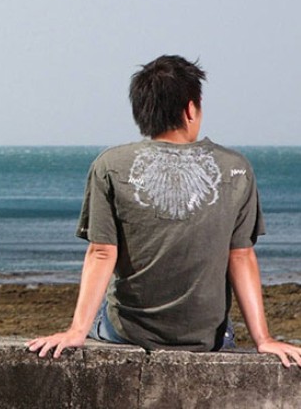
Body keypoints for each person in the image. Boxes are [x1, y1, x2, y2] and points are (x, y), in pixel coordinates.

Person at [27, 55, 301, 367]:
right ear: (190, 109)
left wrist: (76, 331)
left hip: (129, 332)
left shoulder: (110, 165)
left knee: (104, 317)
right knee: (226, 330)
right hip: (206, 337)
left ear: (141, 112)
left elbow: (102, 252)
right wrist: (263, 339)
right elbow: (241, 256)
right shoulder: (235, 169)